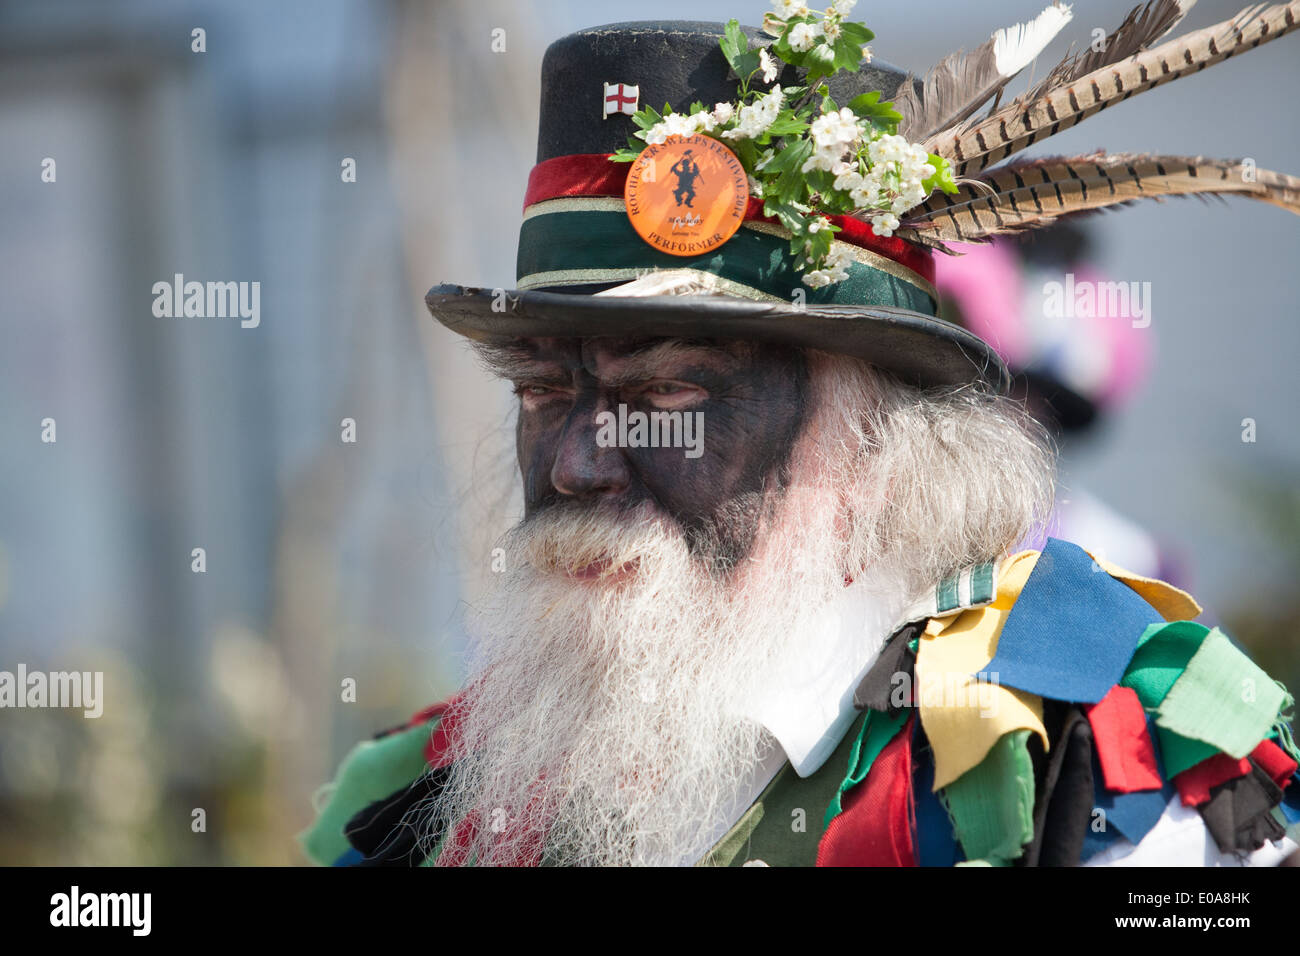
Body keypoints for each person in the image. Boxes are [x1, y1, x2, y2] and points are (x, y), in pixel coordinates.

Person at [301, 3, 1300, 866]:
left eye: (673, 393)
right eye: (544, 390)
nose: (575, 458)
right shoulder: (417, 809)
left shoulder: (1092, 780)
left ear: (870, 443)